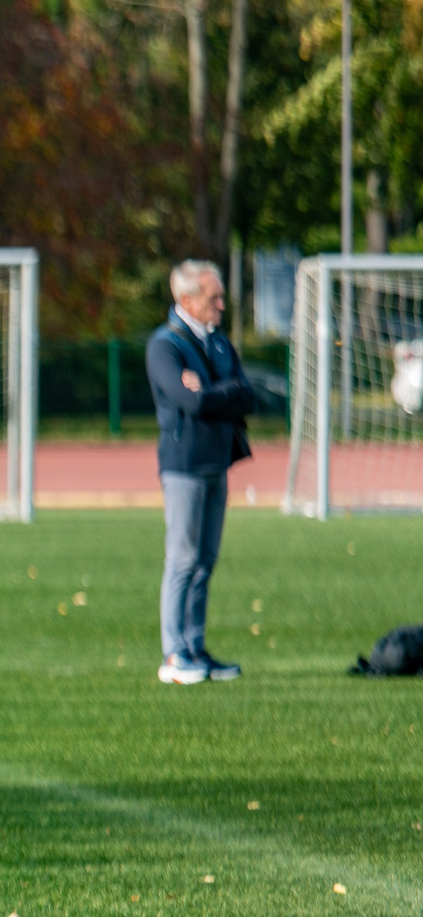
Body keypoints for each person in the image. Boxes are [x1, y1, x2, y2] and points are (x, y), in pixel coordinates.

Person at [146, 258, 256, 684]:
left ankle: (195, 647)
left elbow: (246, 394)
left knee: (205, 560)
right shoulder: (165, 345)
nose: (222, 305)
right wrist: (220, 393)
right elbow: (189, 403)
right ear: (186, 299)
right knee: (182, 559)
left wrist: (214, 391)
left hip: (217, 461)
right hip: (184, 466)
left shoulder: (218, 342)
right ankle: (174, 655)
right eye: (214, 297)